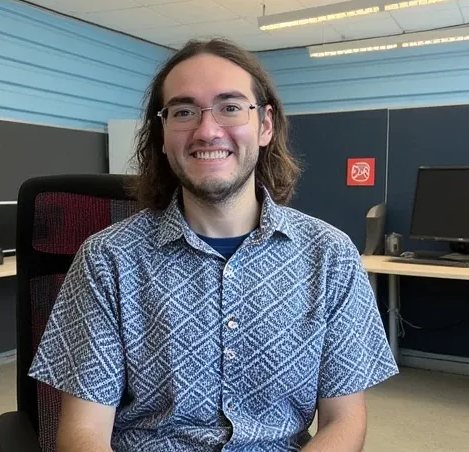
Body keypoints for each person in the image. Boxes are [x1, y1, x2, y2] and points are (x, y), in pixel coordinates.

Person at [29, 38, 398, 452]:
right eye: (184, 111)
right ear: (163, 134)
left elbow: (344, 422)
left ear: (265, 125)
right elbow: (82, 434)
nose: (207, 130)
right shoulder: (107, 259)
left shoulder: (330, 255)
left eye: (230, 107)